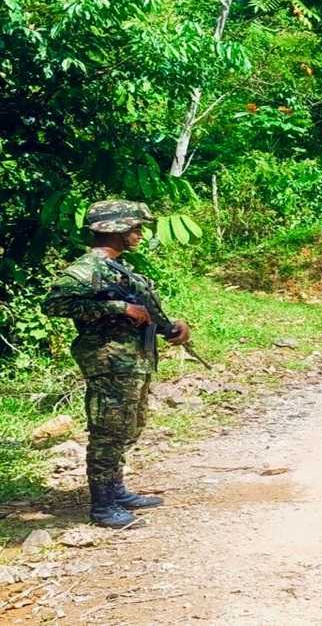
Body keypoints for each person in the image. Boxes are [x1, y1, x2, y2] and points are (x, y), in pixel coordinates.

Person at [42, 200, 191, 528]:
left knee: (128, 427)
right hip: (109, 362)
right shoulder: (87, 268)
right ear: (115, 230)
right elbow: (54, 304)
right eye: (134, 228)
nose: (139, 234)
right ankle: (103, 506)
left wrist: (172, 327)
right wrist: (118, 308)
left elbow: (145, 312)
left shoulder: (119, 268)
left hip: (132, 362)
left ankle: (116, 490)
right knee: (108, 431)